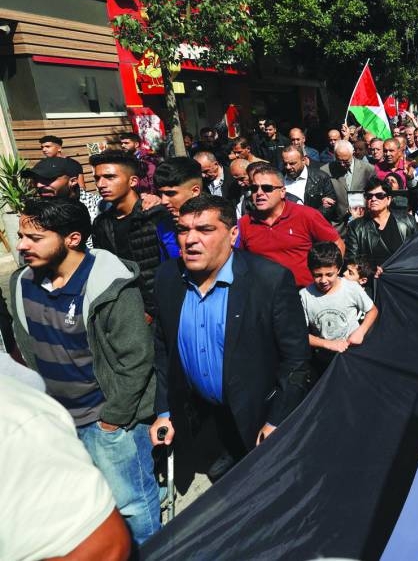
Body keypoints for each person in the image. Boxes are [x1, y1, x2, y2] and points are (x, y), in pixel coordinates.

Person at [10, 198, 160, 544]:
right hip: (60, 423)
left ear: (72, 238)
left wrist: (113, 419)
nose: (21, 245)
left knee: (134, 506)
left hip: (106, 423)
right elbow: (28, 349)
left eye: (34, 237)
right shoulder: (22, 282)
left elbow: (136, 358)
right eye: (21, 236)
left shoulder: (110, 285)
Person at [150, 195, 310, 479]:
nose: (190, 240)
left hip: (259, 419)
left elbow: (296, 359)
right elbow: (164, 351)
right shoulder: (166, 277)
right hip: (207, 420)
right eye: (184, 230)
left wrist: (277, 420)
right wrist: (164, 410)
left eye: (205, 230)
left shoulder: (269, 280)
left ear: (233, 234)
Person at [0, 371, 131, 560]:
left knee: (134, 504)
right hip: (78, 416)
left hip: (102, 417)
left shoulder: (13, 424)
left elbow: (106, 545)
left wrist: (115, 416)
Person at [91, 150, 179, 318]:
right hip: (126, 312)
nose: (101, 184)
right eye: (97, 178)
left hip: (165, 309)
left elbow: (174, 266)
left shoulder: (156, 215)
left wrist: (153, 309)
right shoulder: (101, 224)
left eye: (110, 177)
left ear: (133, 181)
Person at [238, 164, 344, 288]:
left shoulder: (306, 215)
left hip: (304, 294)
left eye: (267, 188)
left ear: (282, 192)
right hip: (264, 296)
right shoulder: (245, 223)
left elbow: (337, 244)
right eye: (254, 188)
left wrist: (329, 279)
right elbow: (239, 261)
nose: (259, 193)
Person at [300, 242, 378, 375]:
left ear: (338, 269)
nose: (323, 280)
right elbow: (300, 334)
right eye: (318, 275)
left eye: (329, 274)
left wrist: (361, 331)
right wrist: (327, 344)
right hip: (324, 360)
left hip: (354, 354)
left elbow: (372, 310)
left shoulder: (351, 288)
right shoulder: (304, 296)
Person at [344, 177, 417, 292]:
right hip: (373, 284)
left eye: (379, 196)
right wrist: (372, 270)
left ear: (388, 199)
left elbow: (417, 252)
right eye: (369, 196)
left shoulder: (407, 221)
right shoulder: (356, 227)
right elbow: (352, 259)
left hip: (403, 282)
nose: (373, 199)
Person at [21, 156, 102, 226]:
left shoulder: (98, 208)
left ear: (73, 181)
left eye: (47, 179)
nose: (39, 185)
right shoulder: (36, 212)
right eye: (36, 179)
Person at [323, 140, 376, 234]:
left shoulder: (367, 169)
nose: (343, 164)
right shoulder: (325, 170)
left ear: (353, 153)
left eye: (346, 161)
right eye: (339, 161)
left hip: (361, 221)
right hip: (336, 223)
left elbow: (372, 192)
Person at [281, 145, 337, 222]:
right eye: (285, 164)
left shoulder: (321, 177)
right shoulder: (278, 179)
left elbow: (330, 205)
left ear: (303, 160)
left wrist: (310, 219)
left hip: (313, 227)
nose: (288, 167)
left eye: (292, 163)